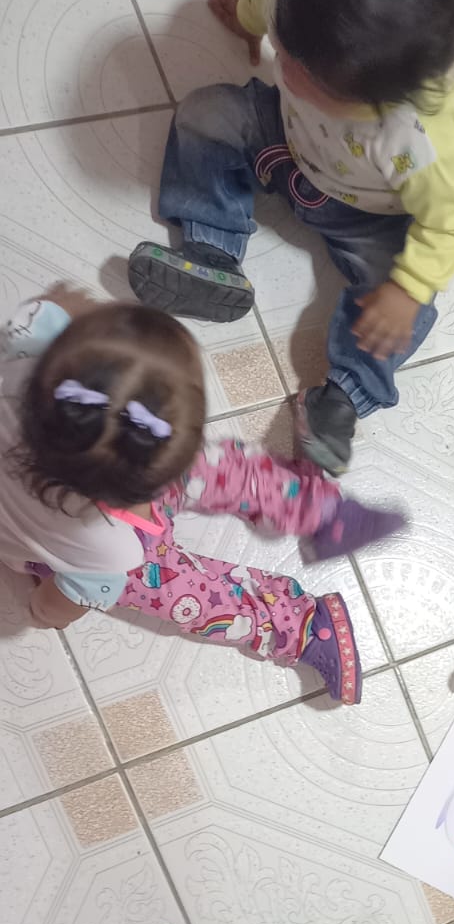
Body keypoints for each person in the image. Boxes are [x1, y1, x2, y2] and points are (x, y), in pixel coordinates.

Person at [127, 0, 454, 474]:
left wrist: (407, 289)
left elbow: (452, 221)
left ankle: (340, 399)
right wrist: (248, 17)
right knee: (205, 113)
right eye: (285, 48)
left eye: (310, 75)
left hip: (370, 218)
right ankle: (211, 251)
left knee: (408, 310)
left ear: (385, 97)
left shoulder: (416, 135)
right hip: (284, 141)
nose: (285, 65)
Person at [1, 296, 403, 704]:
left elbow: (53, 607)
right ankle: (310, 550)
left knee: (182, 570)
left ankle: (304, 584)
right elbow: (50, 310)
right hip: (84, 529)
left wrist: (43, 609)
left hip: (64, 522)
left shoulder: (25, 366)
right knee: (207, 487)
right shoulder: (109, 552)